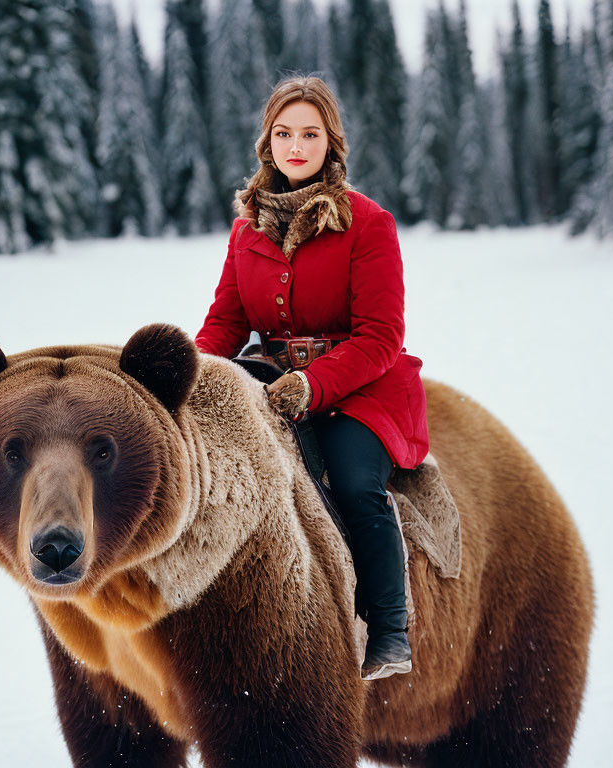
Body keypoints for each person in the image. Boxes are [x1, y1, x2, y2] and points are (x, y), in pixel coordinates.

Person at [194, 75, 429, 680]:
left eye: (310, 133)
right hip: (274, 383)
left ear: (332, 142)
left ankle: (388, 628)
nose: (295, 146)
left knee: (352, 483)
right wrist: (189, 374)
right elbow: (225, 321)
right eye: (283, 133)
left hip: (359, 388)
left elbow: (381, 337)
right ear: (266, 144)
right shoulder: (247, 227)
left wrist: (314, 385)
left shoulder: (368, 223)